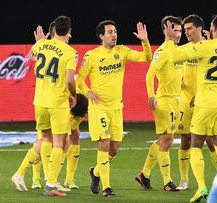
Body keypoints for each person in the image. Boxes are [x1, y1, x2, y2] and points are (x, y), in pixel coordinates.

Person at [163, 14, 217, 202]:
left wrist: (171, 39)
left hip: (205, 102)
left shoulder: (204, 46)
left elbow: (175, 57)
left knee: (196, 145)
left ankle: (202, 186)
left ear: (212, 28)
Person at [76, 20, 152, 197]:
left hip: (117, 107)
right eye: (110, 32)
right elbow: (79, 79)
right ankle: (107, 187)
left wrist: (145, 41)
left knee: (115, 148)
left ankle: (95, 173)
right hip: (99, 108)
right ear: (101, 36)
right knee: (104, 143)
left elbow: (146, 57)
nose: (114, 35)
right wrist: (88, 92)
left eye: (115, 31)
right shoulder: (91, 55)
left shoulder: (122, 51)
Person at [135, 15, 183, 192]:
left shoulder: (177, 50)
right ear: (165, 30)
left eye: (179, 30)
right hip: (164, 100)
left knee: (164, 139)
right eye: (174, 30)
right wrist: (151, 95)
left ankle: (145, 174)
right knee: (168, 140)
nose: (178, 34)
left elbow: (177, 75)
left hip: (176, 100)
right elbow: (149, 74)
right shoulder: (162, 51)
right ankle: (167, 182)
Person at [31, 15, 77, 197]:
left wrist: (41, 42)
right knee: (60, 142)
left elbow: (34, 57)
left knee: (45, 138)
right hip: (57, 102)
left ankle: (38, 178)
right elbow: (69, 81)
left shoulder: (40, 44)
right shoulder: (69, 52)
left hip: (39, 102)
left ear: (54, 30)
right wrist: (73, 96)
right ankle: (50, 184)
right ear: (69, 31)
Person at [175, 14, 217, 191]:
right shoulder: (184, 49)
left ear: (200, 29)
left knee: (211, 140)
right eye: (185, 29)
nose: (186, 32)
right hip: (185, 101)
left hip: (204, 100)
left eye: (190, 29)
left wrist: (200, 93)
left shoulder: (210, 48)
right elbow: (171, 65)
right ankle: (184, 180)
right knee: (185, 139)